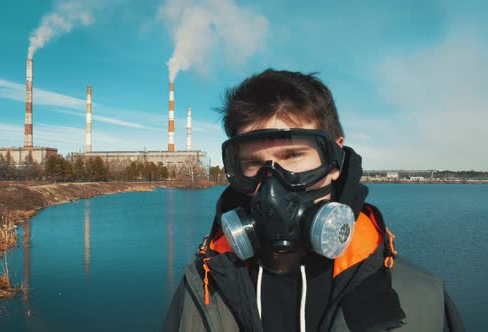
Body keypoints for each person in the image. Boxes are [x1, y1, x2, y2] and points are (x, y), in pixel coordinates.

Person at [162, 69, 465, 332]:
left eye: (293, 155)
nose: (272, 186)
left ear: (335, 160)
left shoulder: (418, 297)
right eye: (254, 163)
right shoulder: (204, 287)